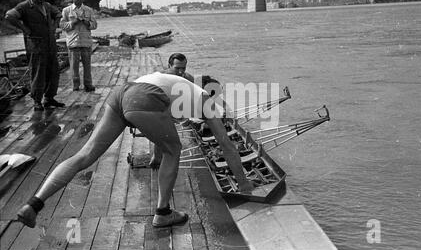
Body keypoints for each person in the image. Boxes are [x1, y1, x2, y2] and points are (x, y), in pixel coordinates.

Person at [17, 73, 254, 228]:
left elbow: (158, 129)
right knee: (175, 151)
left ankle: (33, 204)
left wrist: (156, 154)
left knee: (85, 155)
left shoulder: (178, 85)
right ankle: (163, 213)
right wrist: (244, 185)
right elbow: (226, 145)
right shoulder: (205, 100)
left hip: (123, 93)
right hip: (145, 98)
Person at [5, 0, 65, 111]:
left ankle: (49, 98)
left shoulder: (47, 6)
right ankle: (37, 100)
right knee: (38, 73)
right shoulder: (24, 6)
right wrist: (23, 28)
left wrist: (55, 26)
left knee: (54, 72)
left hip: (50, 44)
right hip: (36, 46)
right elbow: (9, 15)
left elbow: (58, 14)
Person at [60, 0, 97, 92]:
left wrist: (87, 23)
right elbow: (62, 26)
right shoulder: (66, 11)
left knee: (87, 66)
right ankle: (75, 86)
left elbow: (94, 25)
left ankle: (88, 85)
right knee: (74, 66)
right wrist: (73, 23)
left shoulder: (88, 10)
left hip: (85, 42)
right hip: (73, 42)